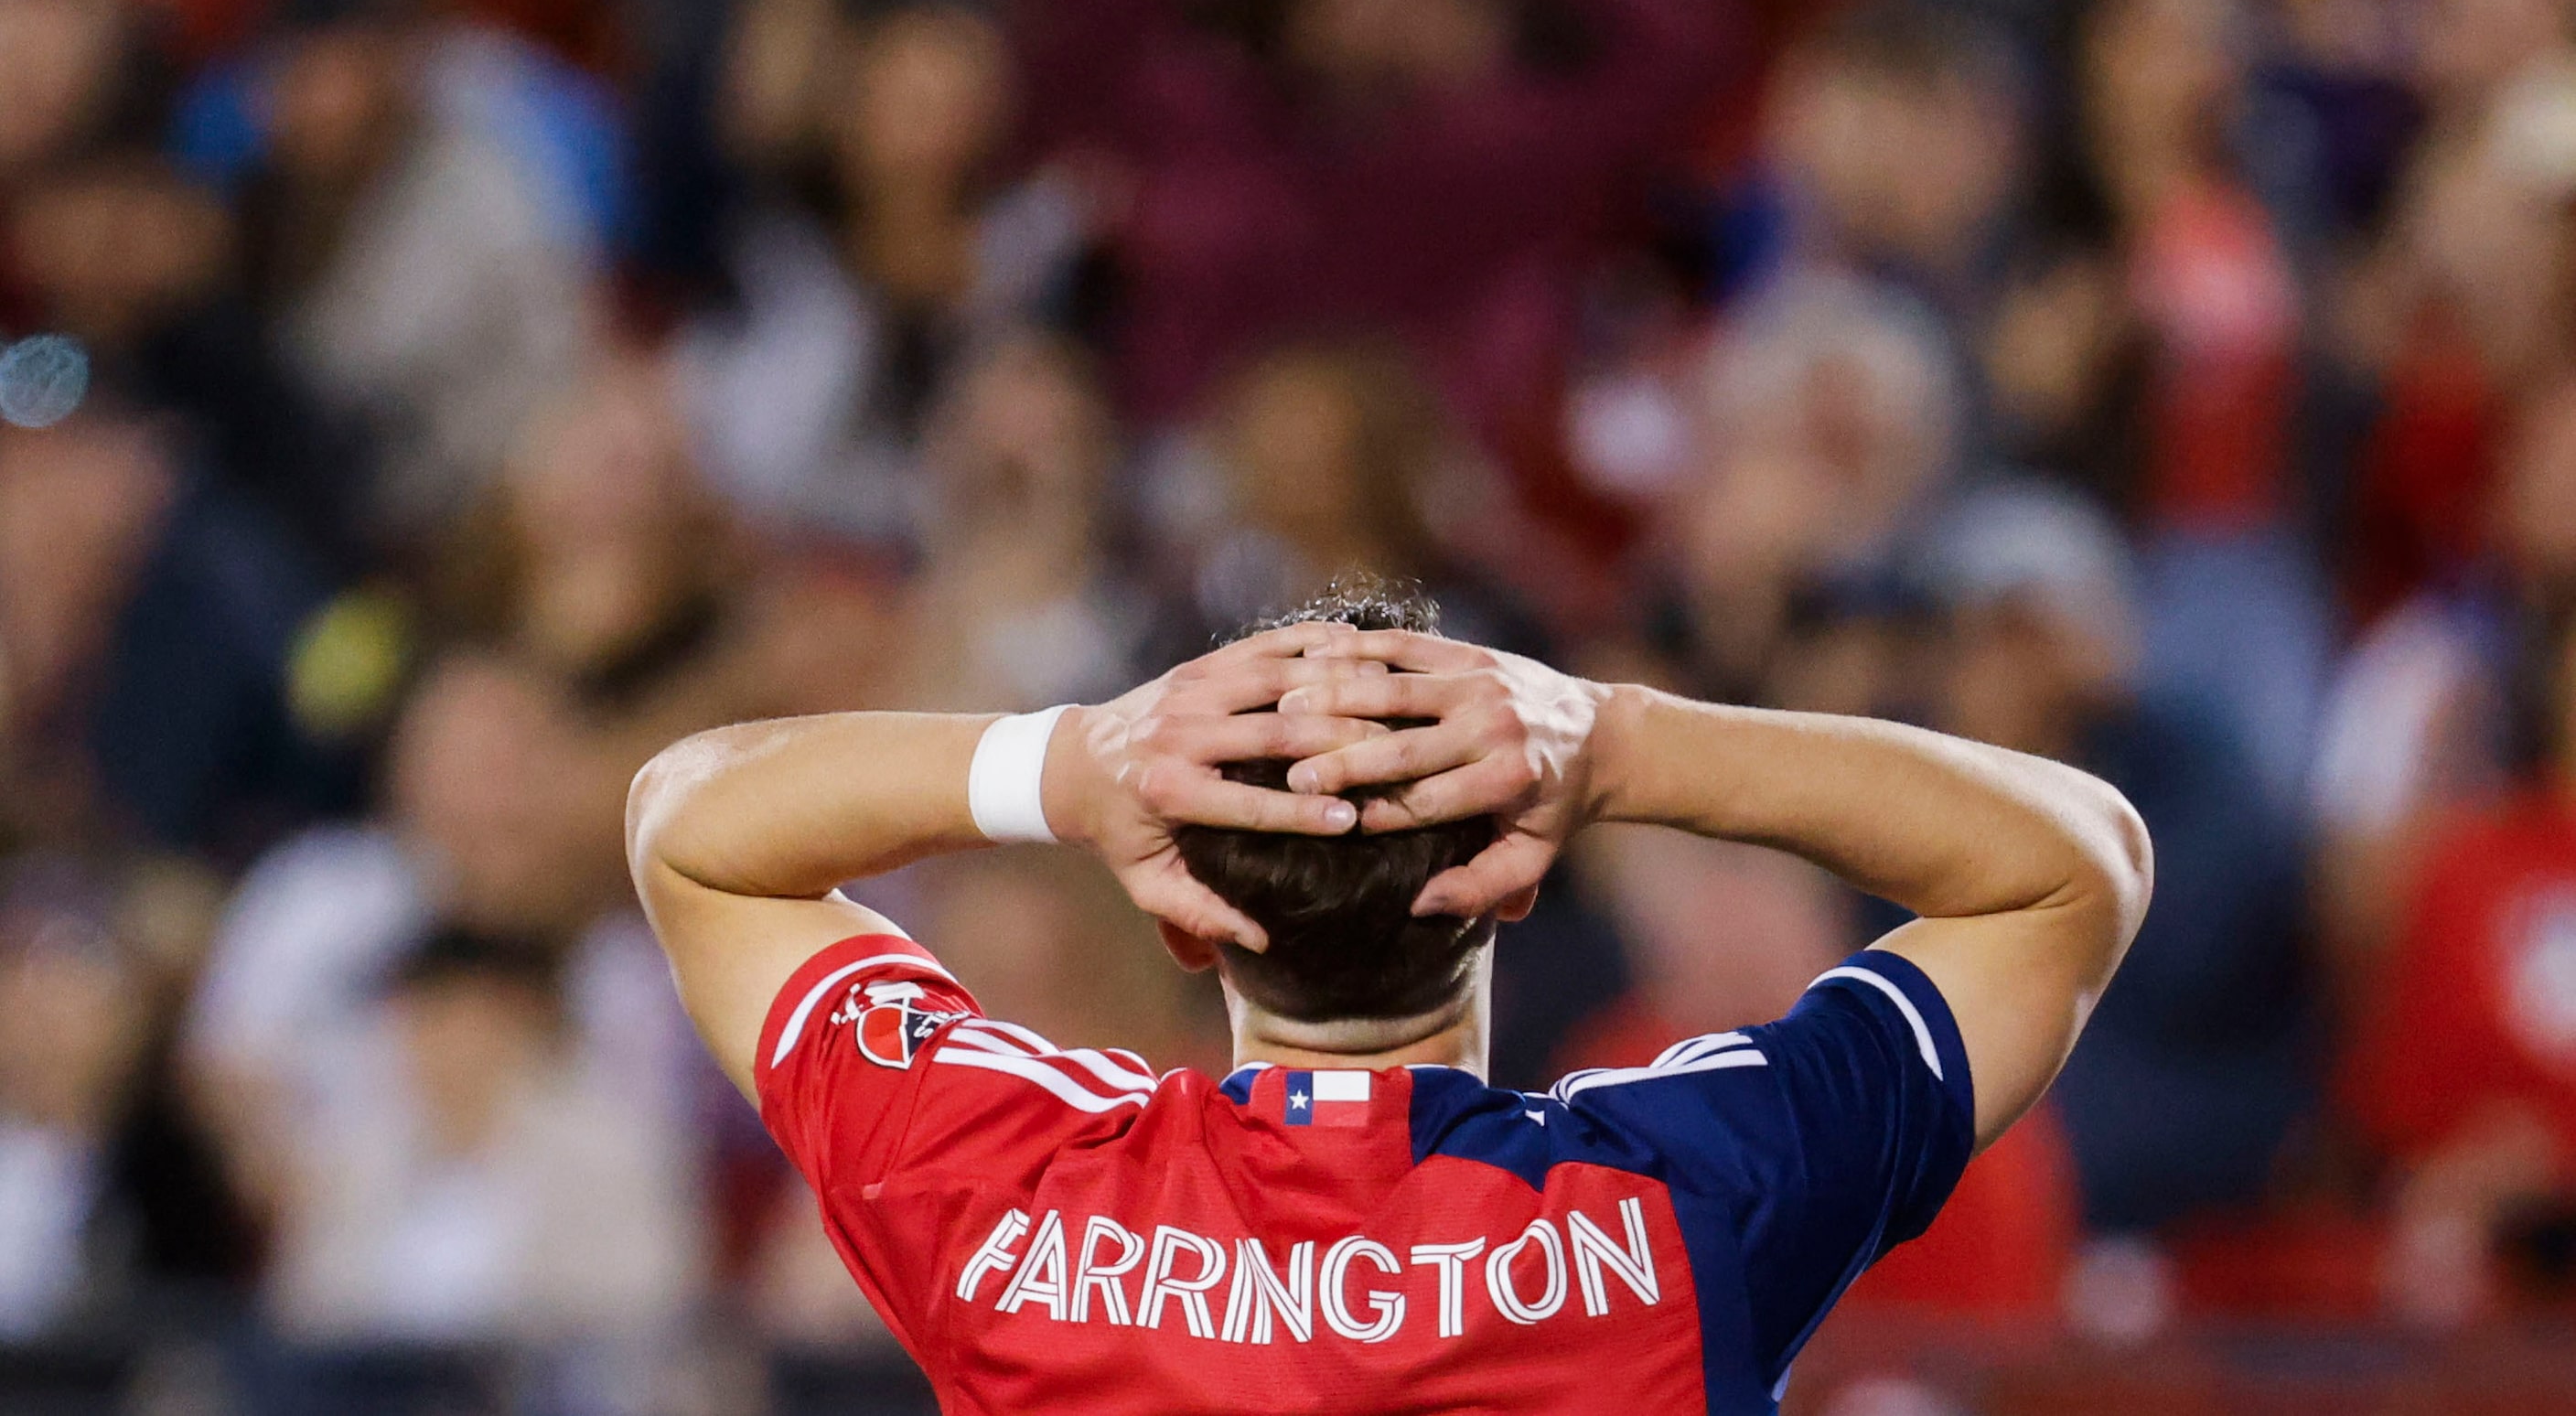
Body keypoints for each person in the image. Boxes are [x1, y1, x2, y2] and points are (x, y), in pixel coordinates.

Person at [628, 580, 2149, 1410]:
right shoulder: (1696, 1200)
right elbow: (2077, 864)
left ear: (1183, 926)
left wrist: (1072, 761)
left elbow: (691, 836)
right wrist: (1619, 741)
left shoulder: (1009, 1198)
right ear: (1512, 880)